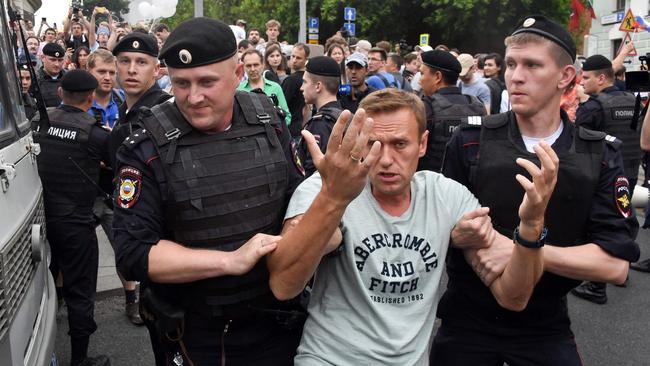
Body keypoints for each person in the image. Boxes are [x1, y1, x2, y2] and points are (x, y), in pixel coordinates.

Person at [267, 87, 558, 365]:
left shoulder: (444, 195)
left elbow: (513, 297)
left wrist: (531, 226)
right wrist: (332, 201)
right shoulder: (326, 186)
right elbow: (284, 285)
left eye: (400, 144)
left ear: (422, 144)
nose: (385, 160)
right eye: (373, 145)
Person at [431, 15, 640, 365]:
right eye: (511, 64)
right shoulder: (470, 141)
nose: (515, 76)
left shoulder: (599, 154)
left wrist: (522, 251)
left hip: (545, 327)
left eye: (532, 65)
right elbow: (444, 227)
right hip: (467, 322)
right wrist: (458, 234)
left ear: (565, 76)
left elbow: (614, 265)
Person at [113, 17, 304, 366]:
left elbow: (297, 200)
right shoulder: (144, 145)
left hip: (277, 324)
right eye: (181, 83)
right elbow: (133, 251)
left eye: (207, 82)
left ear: (237, 73)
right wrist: (228, 262)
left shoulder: (269, 121)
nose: (193, 97)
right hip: (195, 334)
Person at [35, 69, 111, 366]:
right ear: (91, 98)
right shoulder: (95, 134)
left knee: (43, 286)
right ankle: (79, 360)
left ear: (59, 93)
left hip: (39, 219)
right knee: (81, 293)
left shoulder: (38, 121)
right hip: (75, 225)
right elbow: (116, 168)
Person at [570, 54, 642, 304]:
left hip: (602, 177)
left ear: (601, 78)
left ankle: (596, 286)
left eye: (587, 78)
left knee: (598, 224)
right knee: (622, 218)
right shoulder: (632, 99)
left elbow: (578, 142)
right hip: (629, 172)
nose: (582, 82)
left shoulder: (594, 106)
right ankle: (620, 271)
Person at [417, 50, 486, 172]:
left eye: (422, 73)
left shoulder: (426, 107)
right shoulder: (477, 106)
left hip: (433, 184)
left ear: (437, 77)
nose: (419, 80)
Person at [108, 32, 170, 167]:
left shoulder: (165, 112)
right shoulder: (124, 111)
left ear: (156, 69)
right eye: (125, 61)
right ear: (116, 66)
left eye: (141, 62)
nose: (131, 70)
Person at [298, 56, 343, 176]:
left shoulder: (320, 124)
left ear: (318, 86)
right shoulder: (345, 117)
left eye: (305, 82)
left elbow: (312, 173)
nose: (301, 88)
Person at [238, 49, 291, 124]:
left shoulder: (275, 87)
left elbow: (287, 117)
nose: (252, 69)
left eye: (256, 65)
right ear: (243, 67)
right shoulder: (238, 89)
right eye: (248, 66)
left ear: (262, 65)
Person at [282, 42, 310, 138]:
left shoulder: (291, 81)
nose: (294, 60)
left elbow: (281, 105)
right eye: (292, 56)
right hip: (300, 127)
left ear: (306, 60)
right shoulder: (309, 79)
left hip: (289, 128)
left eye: (298, 58)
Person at [37, 42, 66, 107]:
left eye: (60, 60)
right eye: (53, 60)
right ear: (43, 58)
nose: (57, 64)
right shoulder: (35, 79)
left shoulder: (69, 78)